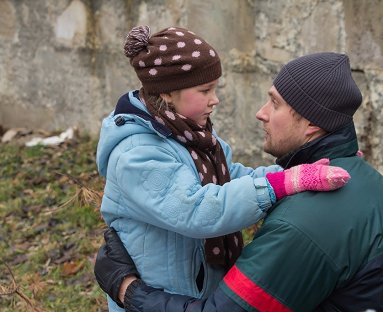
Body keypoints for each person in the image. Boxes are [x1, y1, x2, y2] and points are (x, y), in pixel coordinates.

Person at [95, 52, 383, 311]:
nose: (260, 112)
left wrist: (128, 290)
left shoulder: (306, 224)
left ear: (311, 125)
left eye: (274, 104)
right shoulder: (355, 173)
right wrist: (283, 179)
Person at [95, 26, 350, 312]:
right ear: (167, 93)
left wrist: (297, 172)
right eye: (205, 90)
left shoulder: (192, 138)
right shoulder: (137, 155)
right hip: (157, 297)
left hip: (197, 292)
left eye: (215, 88)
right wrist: (283, 183)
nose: (215, 99)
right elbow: (196, 210)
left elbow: (231, 180)